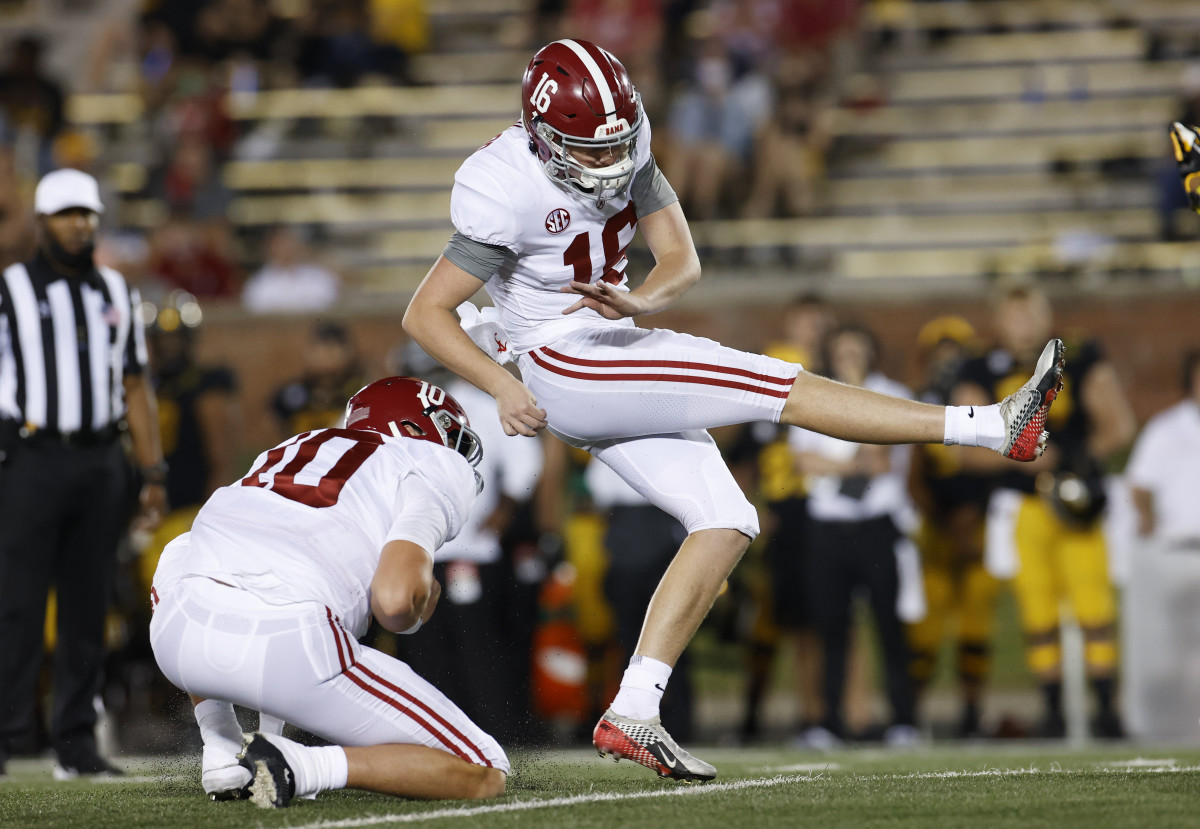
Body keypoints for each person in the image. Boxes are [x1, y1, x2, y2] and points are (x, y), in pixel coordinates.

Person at [402, 38, 1064, 781]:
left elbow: (682, 257)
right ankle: (994, 426)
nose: (612, 161)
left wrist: (643, 299)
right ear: (544, 136)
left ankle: (634, 709)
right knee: (778, 384)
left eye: (619, 141)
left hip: (610, 338)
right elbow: (426, 315)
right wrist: (500, 382)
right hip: (565, 361)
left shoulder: (627, 139)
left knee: (727, 520)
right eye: (593, 149)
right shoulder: (502, 182)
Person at [149, 376, 508, 808]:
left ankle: (221, 744)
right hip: (289, 647)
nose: (452, 450)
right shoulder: (427, 462)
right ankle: (301, 765)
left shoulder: (290, 448)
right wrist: (415, 608)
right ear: (413, 428)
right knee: (485, 769)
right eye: (448, 433)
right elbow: (393, 603)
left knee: (182, 546)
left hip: (177, 633)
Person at [0, 168, 166, 777]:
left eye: (88, 214)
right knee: (15, 605)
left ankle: (76, 741)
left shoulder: (116, 292)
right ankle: (7, 735)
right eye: (68, 214)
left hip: (101, 460)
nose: (80, 224)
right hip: (31, 458)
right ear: (42, 222)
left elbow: (134, 382)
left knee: (88, 604)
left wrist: (151, 469)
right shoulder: (10, 288)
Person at [955, 281, 1135, 738]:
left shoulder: (1078, 355)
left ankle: (1106, 710)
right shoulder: (980, 366)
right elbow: (963, 448)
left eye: (1030, 313)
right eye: (1013, 315)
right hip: (1023, 504)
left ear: (1046, 316)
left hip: (1075, 502)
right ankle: (1053, 710)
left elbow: (1118, 425)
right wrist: (1019, 451)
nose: (1023, 324)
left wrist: (1074, 457)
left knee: (1094, 606)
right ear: (998, 321)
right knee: (1037, 613)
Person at [790, 324, 922, 748]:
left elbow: (885, 458)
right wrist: (853, 464)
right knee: (831, 628)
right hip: (829, 527)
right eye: (841, 350)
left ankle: (905, 719)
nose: (848, 357)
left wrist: (842, 462)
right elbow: (805, 462)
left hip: (877, 524)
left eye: (855, 350)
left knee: (890, 626)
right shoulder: (811, 392)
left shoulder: (891, 391)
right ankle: (828, 722)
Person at [905, 316, 1000, 739]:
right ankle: (913, 714)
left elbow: (1000, 470)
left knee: (976, 623)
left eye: (955, 353)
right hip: (938, 530)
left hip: (980, 524)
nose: (948, 363)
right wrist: (944, 522)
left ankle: (972, 712)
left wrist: (975, 518)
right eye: (940, 354)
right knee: (926, 628)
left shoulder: (989, 400)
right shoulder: (920, 405)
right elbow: (913, 477)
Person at [1123, 349, 1200, 738]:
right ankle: (1173, 725)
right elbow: (1139, 482)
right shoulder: (1166, 429)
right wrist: (1147, 516)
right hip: (1179, 552)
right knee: (1178, 650)